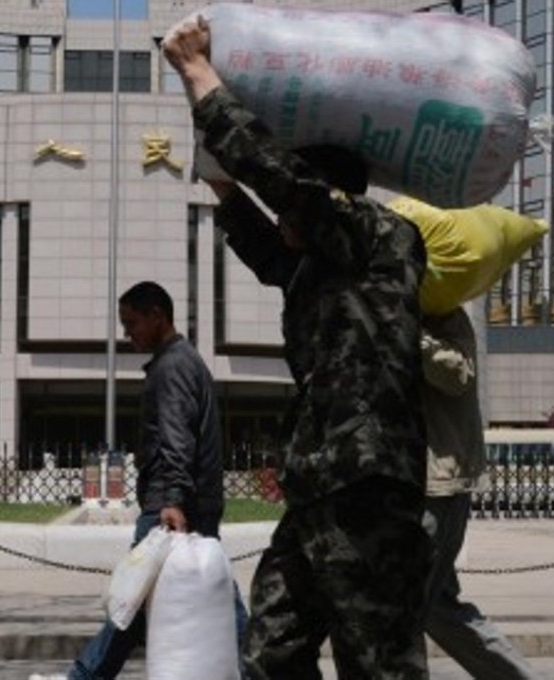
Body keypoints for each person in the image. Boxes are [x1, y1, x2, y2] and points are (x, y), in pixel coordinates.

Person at [163, 18, 432, 680]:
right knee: (271, 655)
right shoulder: (320, 265)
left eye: (291, 209)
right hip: (318, 486)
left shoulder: (376, 238)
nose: (282, 221)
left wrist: (201, 75)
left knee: (378, 664)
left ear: (322, 200)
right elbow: (265, 245)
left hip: (368, 486)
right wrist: (223, 186)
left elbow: (287, 187)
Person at [35, 281, 247, 680]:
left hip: (172, 505)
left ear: (157, 315)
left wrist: (172, 500)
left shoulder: (172, 367)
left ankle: (82, 677)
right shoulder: (183, 362)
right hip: (185, 501)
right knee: (187, 601)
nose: (127, 333)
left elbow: (176, 438)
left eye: (131, 323)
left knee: (131, 600)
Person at [419, 306, 543, 679]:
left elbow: (458, 375)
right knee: (437, 609)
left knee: (404, 604)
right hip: (398, 481)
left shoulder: (442, 310)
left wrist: (408, 332)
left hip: (438, 482)